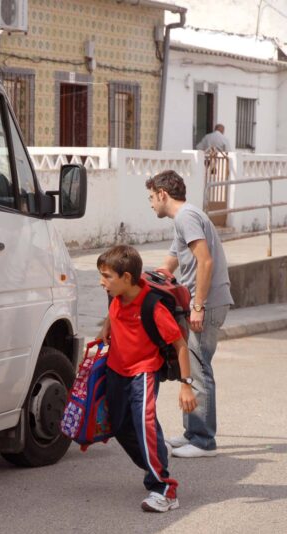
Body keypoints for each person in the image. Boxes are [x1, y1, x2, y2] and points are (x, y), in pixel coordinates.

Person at [96, 244, 196, 513]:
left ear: (127, 278)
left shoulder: (153, 306)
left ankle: (165, 488)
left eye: (106, 276)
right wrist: (106, 326)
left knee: (145, 424)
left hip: (143, 372)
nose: (101, 282)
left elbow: (180, 345)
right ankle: (155, 459)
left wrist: (186, 386)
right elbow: (114, 311)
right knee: (119, 426)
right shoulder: (117, 295)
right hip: (116, 370)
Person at [145, 170, 234, 458]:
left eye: (151, 197)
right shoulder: (184, 219)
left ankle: (203, 441)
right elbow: (170, 263)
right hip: (204, 302)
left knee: (198, 370)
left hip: (206, 304)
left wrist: (197, 305)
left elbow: (204, 261)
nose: (150, 204)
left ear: (162, 194)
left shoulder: (186, 217)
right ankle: (192, 434)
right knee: (194, 368)